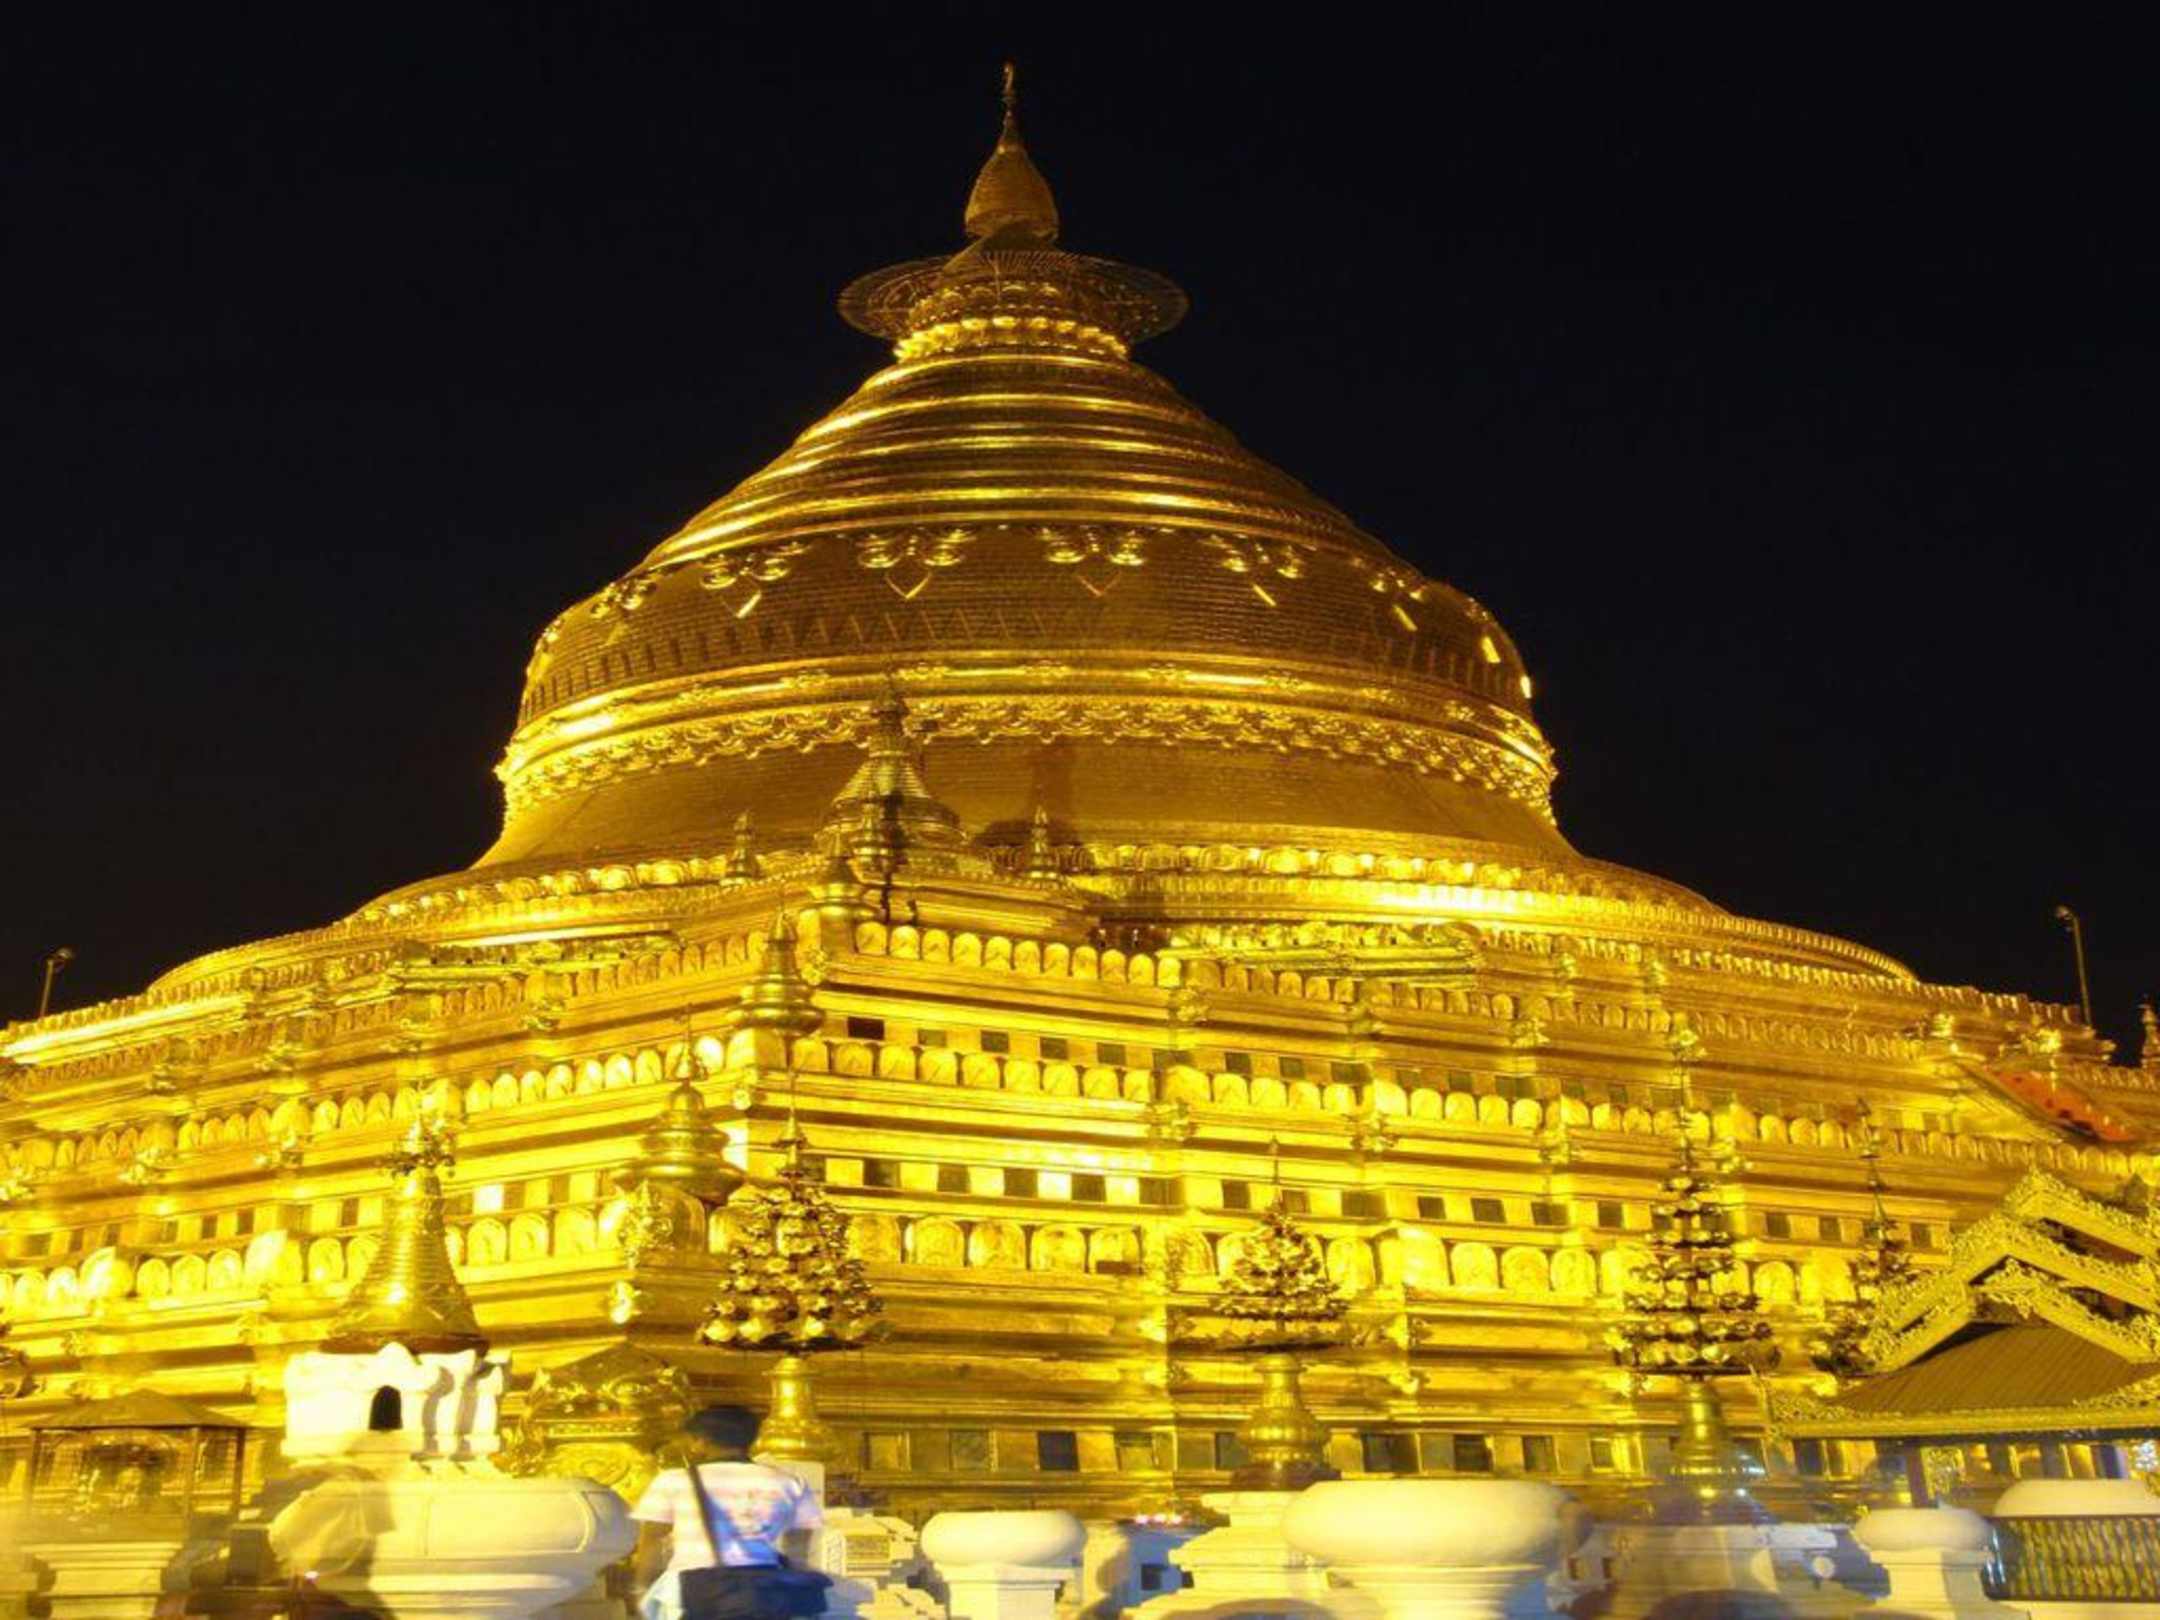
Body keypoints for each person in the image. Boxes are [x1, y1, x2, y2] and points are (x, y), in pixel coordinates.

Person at [631, 1405, 825, 1620]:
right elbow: (798, 1549)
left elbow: (652, 1541)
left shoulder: (674, 1481)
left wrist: (642, 1587)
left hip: (696, 1587)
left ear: (700, 1441)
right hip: (766, 1590)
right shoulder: (790, 1482)